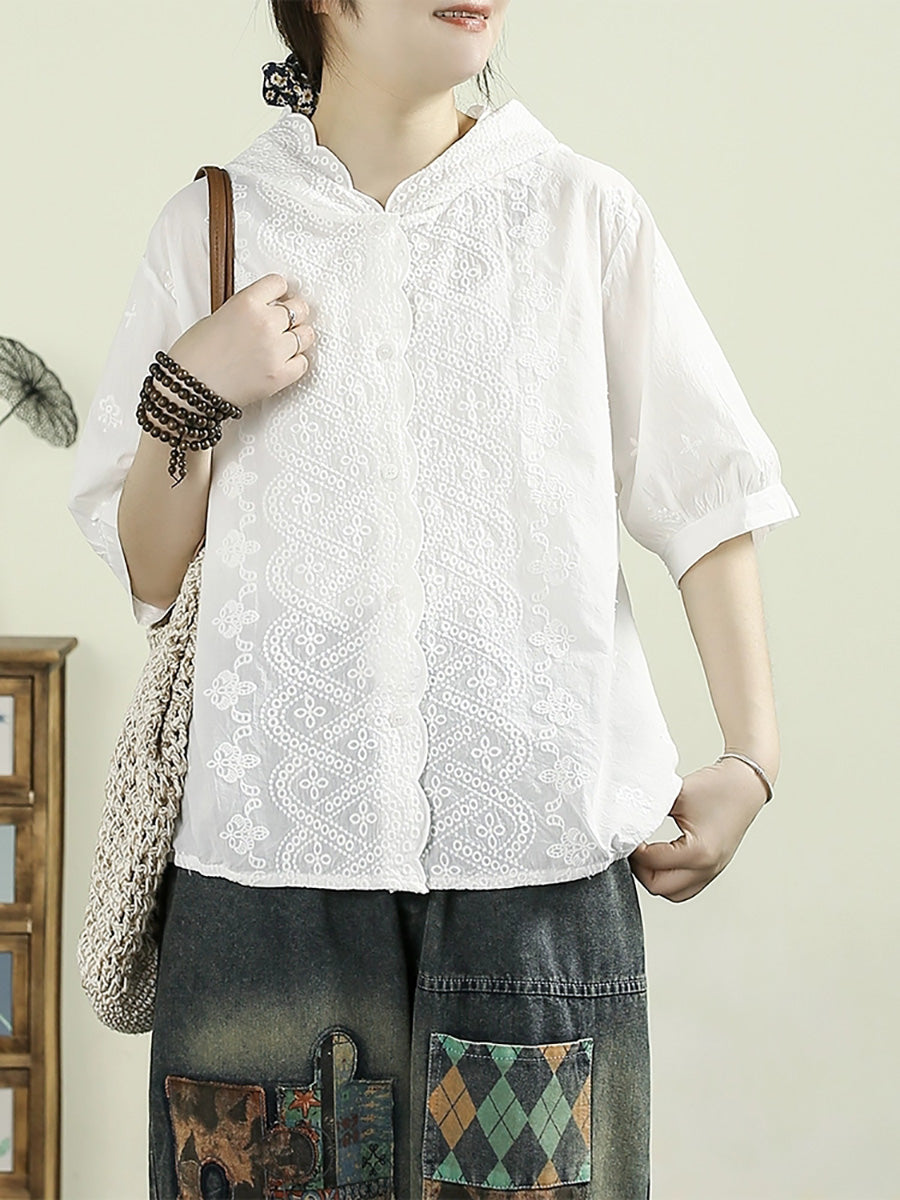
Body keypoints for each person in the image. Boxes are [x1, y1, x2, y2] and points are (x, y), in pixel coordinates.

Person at [67, 1, 800, 1196]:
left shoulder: (579, 211)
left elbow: (707, 494)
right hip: (268, 881)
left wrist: (751, 757)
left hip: (534, 873)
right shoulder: (211, 226)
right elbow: (151, 568)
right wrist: (194, 387)